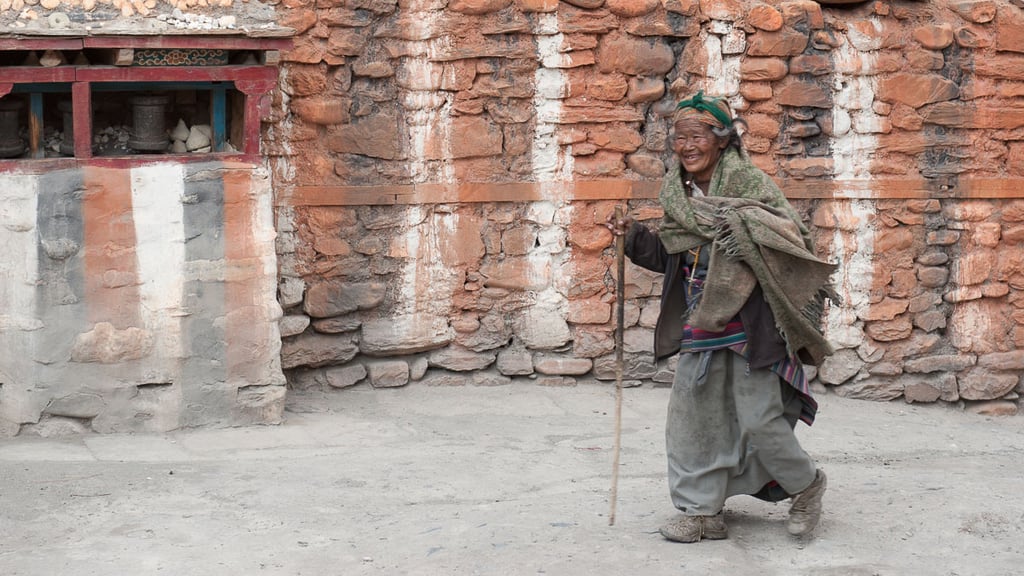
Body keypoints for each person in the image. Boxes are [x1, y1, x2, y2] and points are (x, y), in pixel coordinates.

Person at [604, 91, 838, 543]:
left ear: (721, 140)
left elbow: (794, 242)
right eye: (679, 137)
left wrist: (747, 232)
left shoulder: (751, 186)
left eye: (696, 136)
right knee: (690, 419)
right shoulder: (679, 193)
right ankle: (701, 510)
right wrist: (632, 238)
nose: (686, 146)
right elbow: (673, 256)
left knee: (758, 418)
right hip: (703, 323)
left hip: (754, 324)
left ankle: (807, 486)